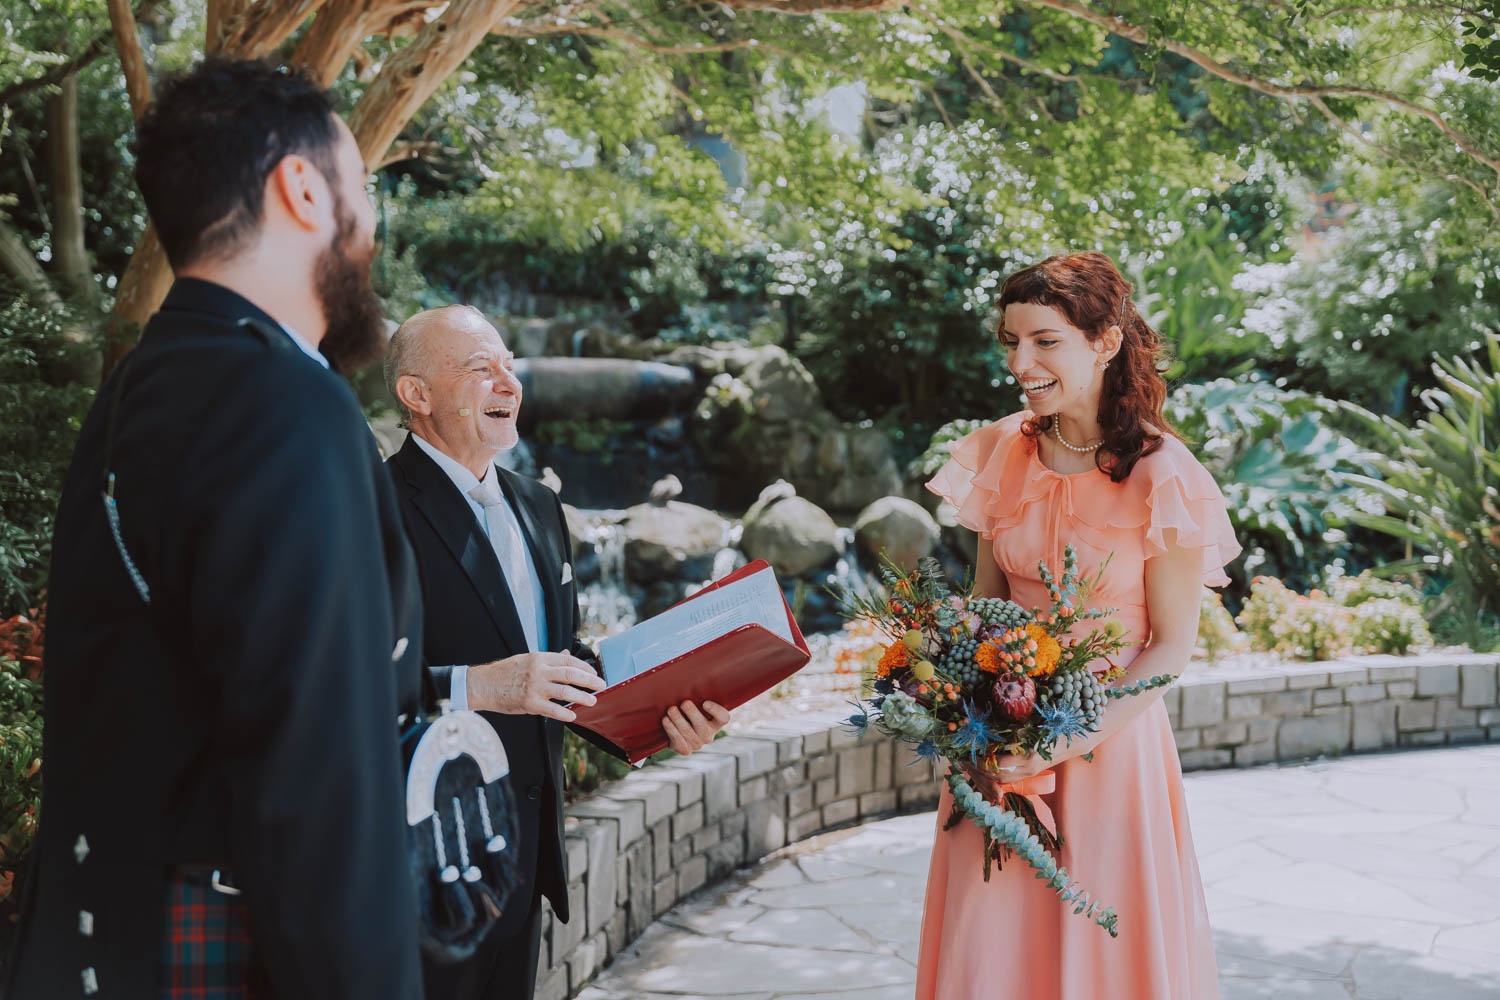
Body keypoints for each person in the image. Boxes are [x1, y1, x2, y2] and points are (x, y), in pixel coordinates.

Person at [5, 59, 428, 997]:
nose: (374, 226)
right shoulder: (287, 404)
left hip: (99, 938)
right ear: (303, 188)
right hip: (230, 949)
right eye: (365, 191)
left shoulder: (138, 392)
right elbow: (321, 792)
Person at [383, 304, 733, 1000]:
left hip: (526, 864)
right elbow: (341, 682)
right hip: (420, 865)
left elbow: (561, 661)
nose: (507, 382)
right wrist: (474, 687)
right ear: (416, 395)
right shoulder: (375, 508)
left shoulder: (540, 507)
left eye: (509, 366)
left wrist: (660, 718)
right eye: (481, 369)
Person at [917, 251, 1239, 999]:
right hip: (997, 742)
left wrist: (1062, 741)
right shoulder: (1003, 450)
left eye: (1044, 341)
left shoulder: (1167, 476)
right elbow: (982, 604)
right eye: (1010, 341)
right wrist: (958, 706)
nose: (1020, 361)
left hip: (1109, 750)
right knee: (988, 946)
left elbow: (1171, 646)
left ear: (1105, 343)